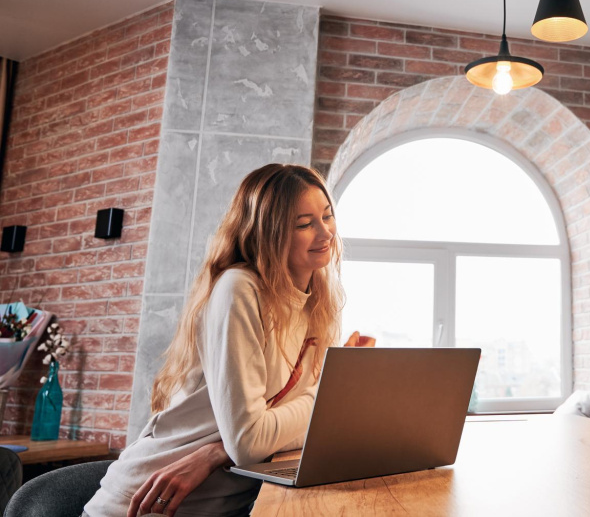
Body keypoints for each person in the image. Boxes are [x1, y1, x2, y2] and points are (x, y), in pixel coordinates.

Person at [83, 164, 373, 517]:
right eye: (304, 224)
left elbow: (262, 437)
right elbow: (251, 444)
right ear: (270, 232)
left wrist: (219, 450)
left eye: (327, 216)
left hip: (229, 505)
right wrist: (333, 391)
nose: (325, 232)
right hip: (148, 506)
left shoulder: (319, 301)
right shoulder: (240, 289)